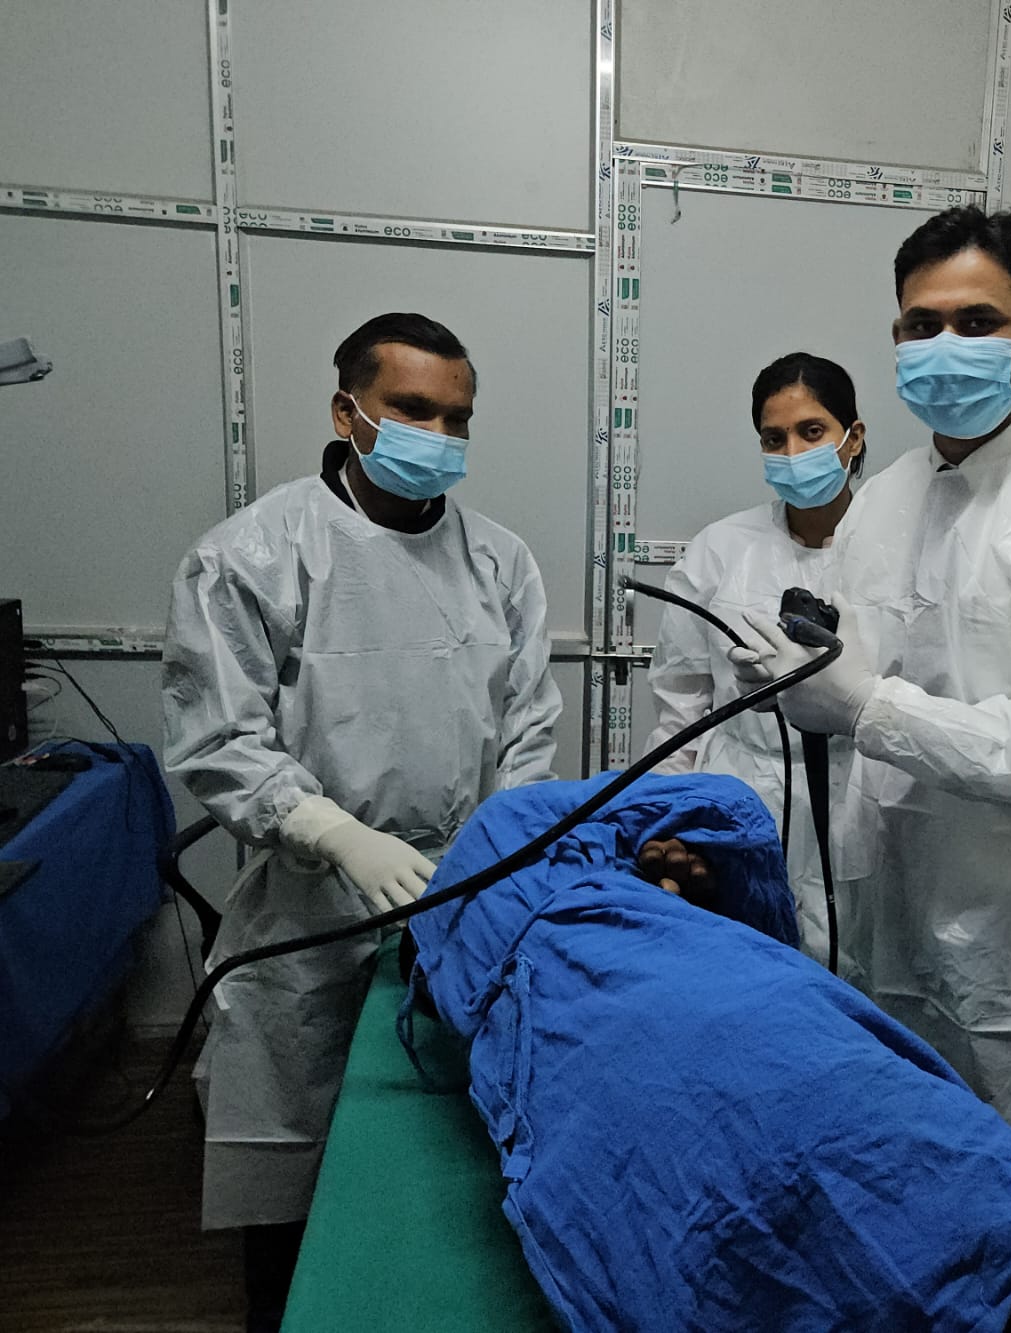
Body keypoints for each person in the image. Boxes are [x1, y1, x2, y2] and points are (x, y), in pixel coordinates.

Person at [402, 772, 1011, 1331]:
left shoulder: (472, 997)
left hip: (606, 1136)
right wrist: (720, 892)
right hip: (769, 1046)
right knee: (991, 1234)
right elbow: (734, 811)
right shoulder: (533, 826)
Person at [731, 207, 1011, 1206]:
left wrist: (866, 707)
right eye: (921, 323)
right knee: (898, 1204)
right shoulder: (884, 498)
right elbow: (848, 692)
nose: (945, 345)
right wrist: (796, 683)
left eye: (978, 322)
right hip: (881, 939)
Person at [161, 312, 562, 1332]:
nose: (440, 435)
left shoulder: (501, 562)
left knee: (445, 1171)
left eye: (457, 418)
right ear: (348, 412)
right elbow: (220, 739)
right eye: (413, 410)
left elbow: (529, 735)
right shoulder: (252, 556)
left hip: (462, 906)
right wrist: (335, 832)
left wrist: (491, 856)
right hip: (306, 917)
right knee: (293, 1180)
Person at [644, 352, 870, 962]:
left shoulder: (892, 549)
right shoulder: (721, 550)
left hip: (858, 806)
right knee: (740, 968)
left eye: (812, 431)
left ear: (853, 438)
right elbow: (681, 710)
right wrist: (663, 818)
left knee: (853, 972)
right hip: (736, 802)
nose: (793, 452)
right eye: (775, 438)